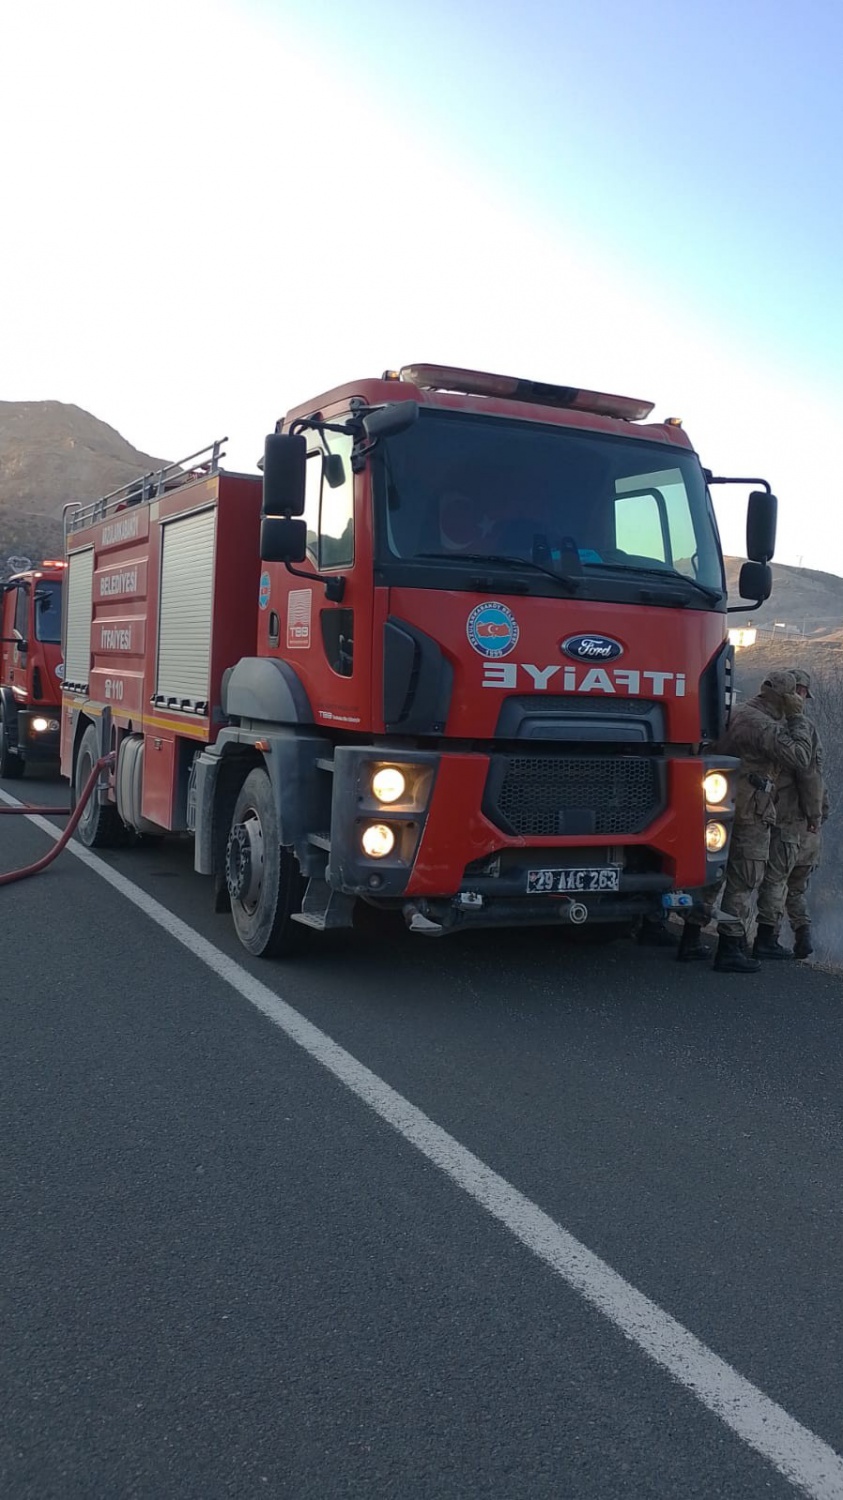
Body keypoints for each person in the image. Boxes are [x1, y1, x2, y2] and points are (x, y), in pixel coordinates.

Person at [709, 670, 814, 974]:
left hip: (720, 802)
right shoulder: (762, 724)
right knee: (745, 876)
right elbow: (800, 758)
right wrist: (797, 719)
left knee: (714, 874)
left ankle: (691, 939)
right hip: (749, 809)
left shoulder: (739, 712)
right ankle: (730, 947)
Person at [754, 667, 827, 960]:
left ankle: (780, 936)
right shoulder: (800, 728)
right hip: (793, 819)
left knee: (778, 880)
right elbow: (810, 776)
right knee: (786, 884)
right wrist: (816, 815)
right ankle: (779, 937)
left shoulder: (765, 720)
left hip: (773, 813)